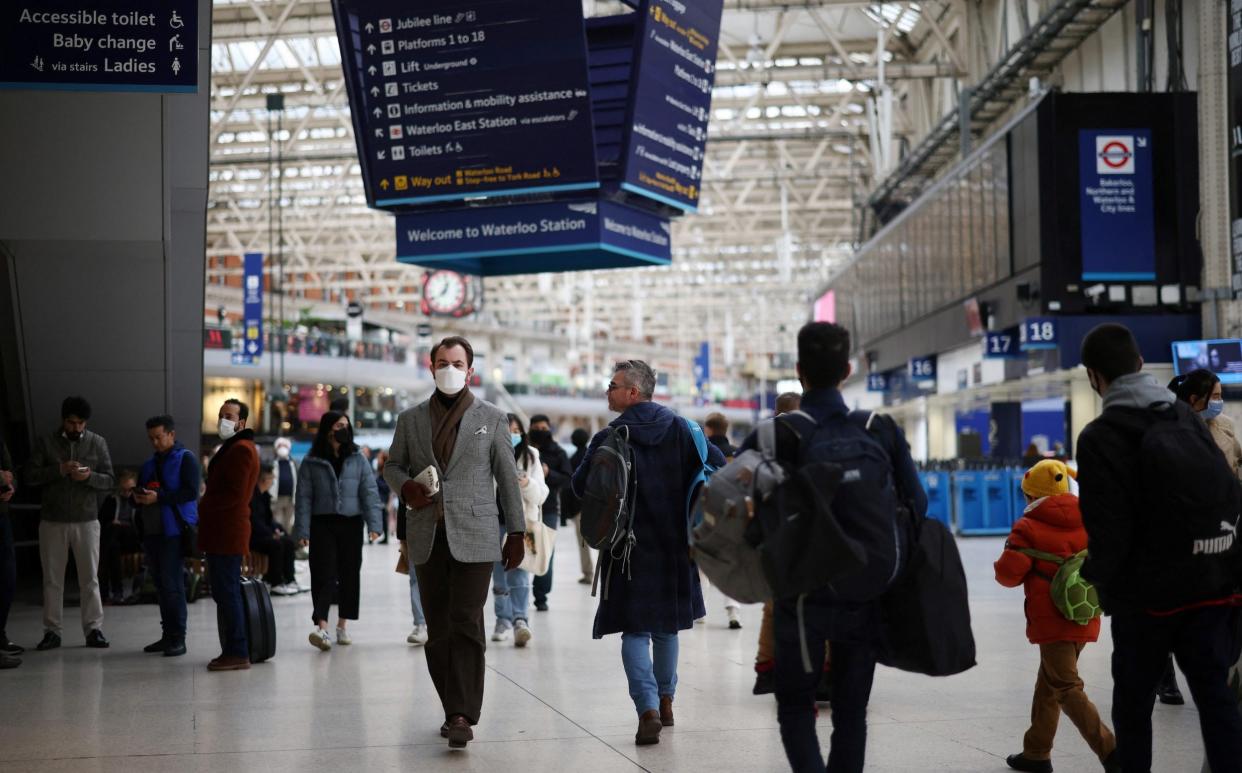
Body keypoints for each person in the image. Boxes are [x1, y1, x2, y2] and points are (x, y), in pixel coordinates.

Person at [1077, 323, 1242, 773]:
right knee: (1216, 702)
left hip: (1145, 602)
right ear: (1138, 364)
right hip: (1210, 588)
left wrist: (1099, 581)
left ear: (1093, 376)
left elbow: (1106, 531)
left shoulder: (1100, 436)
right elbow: (1229, 489)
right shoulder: (1185, 417)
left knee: (1133, 710)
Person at [761, 323, 926, 773]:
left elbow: (749, 517)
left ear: (798, 371)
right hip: (867, 587)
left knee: (796, 708)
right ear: (848, 371)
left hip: (800, 595)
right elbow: (920, 503)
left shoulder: (776, 434)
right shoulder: (878, 429)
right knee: (852, 712)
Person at [570, 359, 725, 746]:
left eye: (613, 385)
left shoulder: (610, 435)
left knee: (635, 633)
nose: (608, 390)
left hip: (628, 552)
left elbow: (578, 488)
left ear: (632, 393)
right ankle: (667, 700)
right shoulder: (685, 430)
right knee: (667, 629)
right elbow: (717, 468)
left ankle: (648, 709)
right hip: (677, 549)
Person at [383, 336, 525, 750]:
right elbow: (393, 464)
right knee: (438, 628)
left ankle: (461, 713)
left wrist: (516, 531)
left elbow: (507, 478)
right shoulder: (410, 419)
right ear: (431, 368)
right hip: (427, 534)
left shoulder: (493, 417)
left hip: (477, 536)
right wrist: (405, 486)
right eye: (442, 362)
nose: (449, 368)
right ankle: (452, 706)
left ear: (470, 370)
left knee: (465, 620)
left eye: (457, 362)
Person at [994, 459, 1118, 773]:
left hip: (1052, 622)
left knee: (1065, 687)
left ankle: (1113, 753)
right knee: (1049, 682)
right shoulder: (1089, 518)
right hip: (1084, 615)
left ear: (1033, 496)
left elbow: (1007, 576)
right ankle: (1036, 752)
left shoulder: (1028, 526)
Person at [26, 396, 115, 650]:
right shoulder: (46, 442)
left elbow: (110, 480)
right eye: (71, 422)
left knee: (90, 578)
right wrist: (59, 470)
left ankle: (94, 630)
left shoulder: (98, 442)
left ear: (86, 423)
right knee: (52, 579)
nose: (76, 428)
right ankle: (52, 631)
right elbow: (30, 476)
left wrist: (88, 477)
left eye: (81, 423)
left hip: (87, 520)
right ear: (63, 420)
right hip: (52, 521)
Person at [295, 412, 382, 650]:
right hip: (322, 523)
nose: (343, 429)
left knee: (349, 574)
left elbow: (369, 492)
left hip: (352, 523)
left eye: (346, 426)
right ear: (327, 429)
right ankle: (321, 627)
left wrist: (375, 525)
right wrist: (302, 530)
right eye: (338, 426)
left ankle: (342, 625)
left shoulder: (357, 458)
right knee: (323, 573)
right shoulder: (311, 460)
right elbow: (303, 498)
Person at [197, 399, 261, 672]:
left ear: (242, 422)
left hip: (228, 530)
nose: (223, 419)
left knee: (228, 592)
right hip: (222, 530)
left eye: (230, 416)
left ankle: (237, 650)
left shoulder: (242, 450)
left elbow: (234, 494)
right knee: (224, 592)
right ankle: (233, 648)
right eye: (221, 415)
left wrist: (204, 504)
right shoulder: (233, 448)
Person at [134, 415, 200, 658]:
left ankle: (178, 638)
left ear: (171, 434)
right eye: (151, 438)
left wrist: (159, 498)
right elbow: (142, 492)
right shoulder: (149, 464)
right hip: (152, 531)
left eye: (159, 437)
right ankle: (167, 635)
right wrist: (137, 497)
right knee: (161, 586)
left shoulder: (186, 459)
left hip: (174, 531)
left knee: (173, 586)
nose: (155, 443)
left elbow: (190, 492)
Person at [753, 391, 803, 696]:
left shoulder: (762, 441)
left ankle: (767, 667)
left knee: (773, 606)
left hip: (773, 535)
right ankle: (822, 673)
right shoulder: (815, 435)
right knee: (816, 603)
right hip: (811, 533)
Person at [491, 414, 548, 646]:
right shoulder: (489, 454)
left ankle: (520, 620)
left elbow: (541, 495)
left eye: (516, 431)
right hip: (494, 522)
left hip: (523, 523)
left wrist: (526, 484)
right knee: (499, 575)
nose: (512, 436)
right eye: (507, 431)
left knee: (521, 572)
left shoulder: (531, 456)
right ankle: (502, 620)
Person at [528, 414, 571, 611]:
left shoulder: (558, 452)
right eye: (536, 427)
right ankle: (514, 591)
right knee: (520, 547)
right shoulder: (523, 450)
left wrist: (548, 473)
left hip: (549, 509)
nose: (540, 431)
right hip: (524, 508)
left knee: (545, 551)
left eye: (544, 427)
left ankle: (541, 596)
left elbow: (567, 479)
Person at [250, 466, 300, 595]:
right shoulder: (252, 497)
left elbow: (269, 519)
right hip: (254, 537)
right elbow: (254, 521)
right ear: (264, 479)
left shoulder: (265, 496)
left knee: (288, 541)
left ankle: (289, 579)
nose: (273, 481)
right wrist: (271, 534)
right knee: (276, 545)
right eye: (272, 478)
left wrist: (278, 530)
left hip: (265, 534)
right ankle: (275, 582)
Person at [97, 470, 141, 605]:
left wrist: (120, 524)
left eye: (130, 489)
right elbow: (102, 521)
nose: (127, 492)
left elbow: (141, 525)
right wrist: (112, 522)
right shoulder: (111, 500)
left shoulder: (139, 500)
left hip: (132, 536)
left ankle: (107, 593)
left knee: (109, 542)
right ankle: (116, 592)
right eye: (124, 489)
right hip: (115, 538)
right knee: (113, 547)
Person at [563, 427, 595, 585]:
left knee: (583, 543)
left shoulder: (573, 459)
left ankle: (588, 573)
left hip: (579, 508)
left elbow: (569, 487)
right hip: (596, 506)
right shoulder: (594, 456)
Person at [0, 434, 20, 668]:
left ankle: (1, 635)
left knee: (7, 578)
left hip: (2, 514)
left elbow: (10, 470)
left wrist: (9, 485)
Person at [269, 437, 298, 534]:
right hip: (277, 499)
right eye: (280, 445)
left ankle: (287, 540)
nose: (282, 448)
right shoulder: (272, 463)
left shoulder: (293, 463)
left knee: (289, 523)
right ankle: (280, 541)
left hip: (291, 499)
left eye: (285, 445)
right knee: (278, 521)